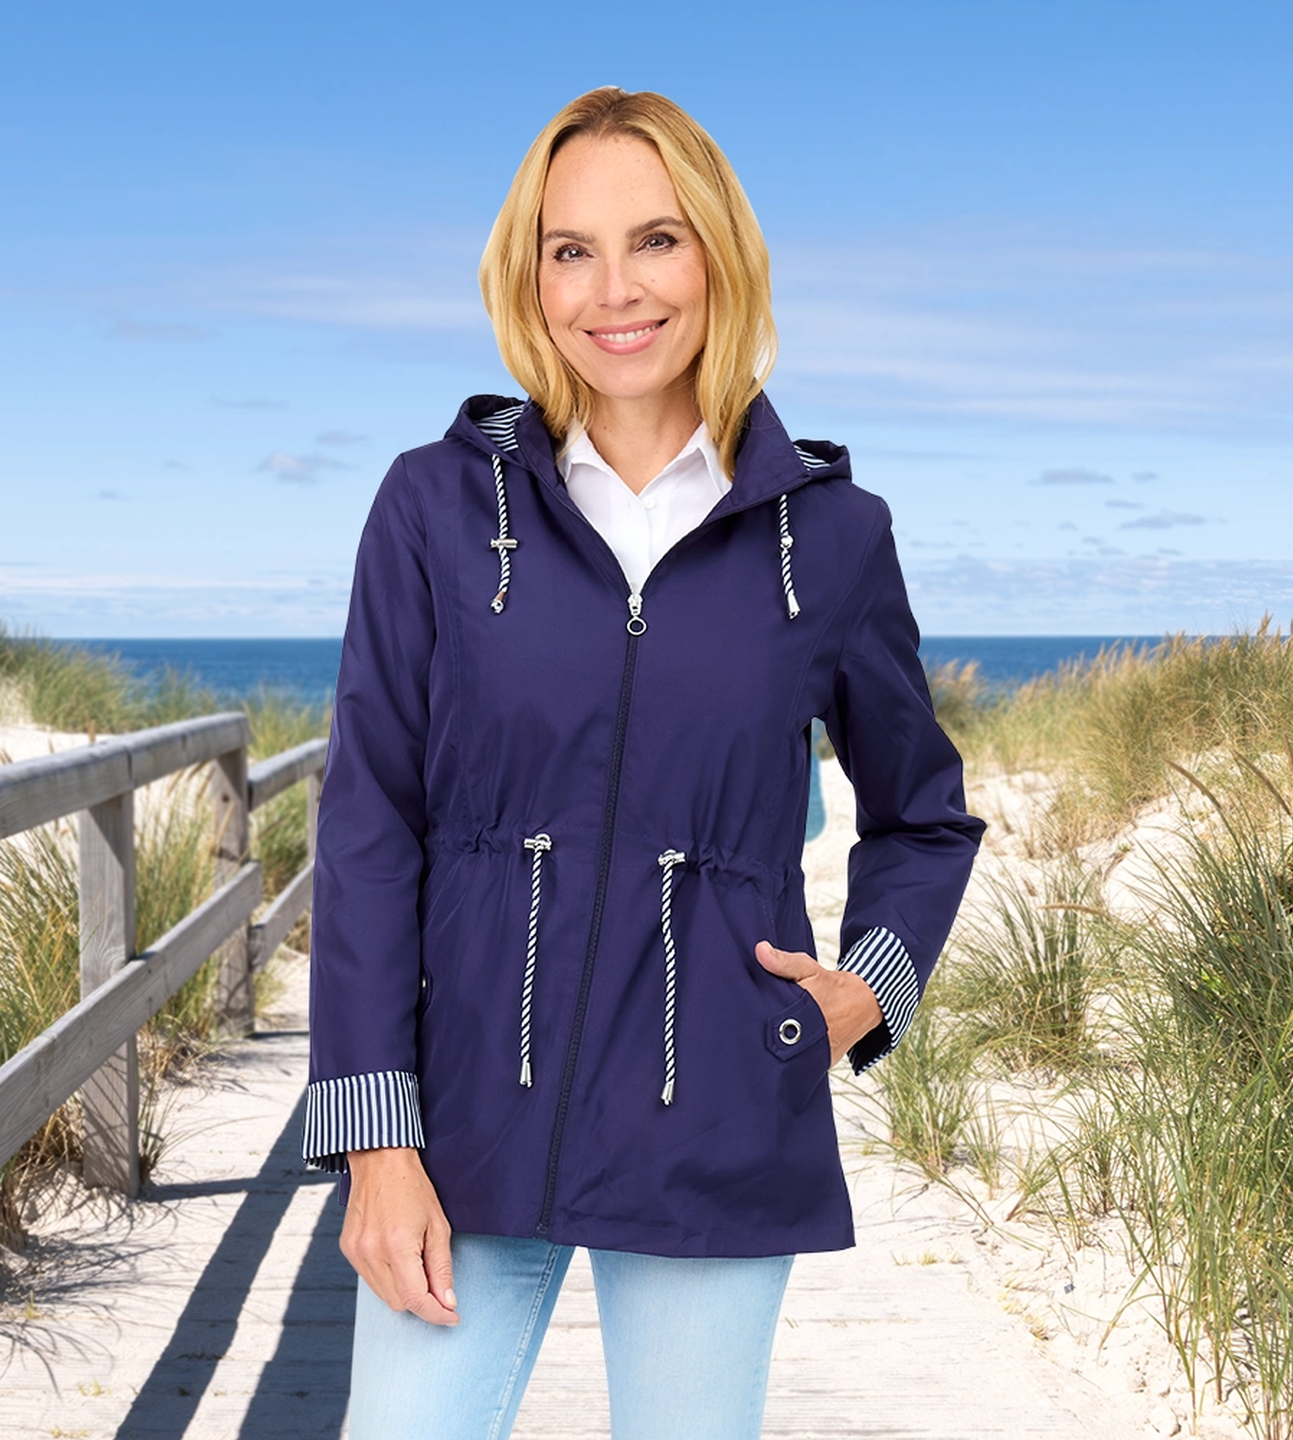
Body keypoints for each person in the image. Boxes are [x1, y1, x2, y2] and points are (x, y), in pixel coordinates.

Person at [304, 86, 985, 1439]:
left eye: (656, 241)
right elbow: (370, 821)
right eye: (572, 249)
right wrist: (376, 1136)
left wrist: (863, 996)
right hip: (462, 1123)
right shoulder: (436, 508)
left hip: (717, 1108)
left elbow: (923, 817)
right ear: (530, 275)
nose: (614, 288)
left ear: (718, 257)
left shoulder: (832, 536)